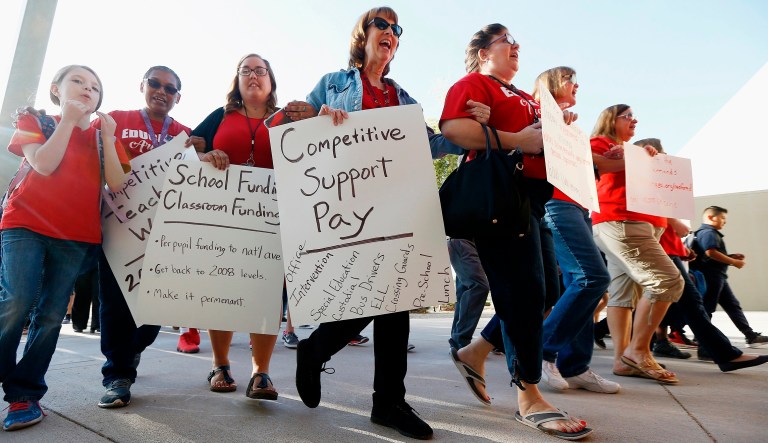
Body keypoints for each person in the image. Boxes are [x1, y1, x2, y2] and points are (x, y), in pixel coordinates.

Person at [288, 8, 482, 440]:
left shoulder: (403, 98)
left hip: (396, 207)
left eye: (397, 29)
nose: (391, 33)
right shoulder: (334, 84)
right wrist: (316, 118)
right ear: (364, 35)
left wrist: (468, 130)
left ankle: (386, 400)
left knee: (397, 297)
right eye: (383, 25)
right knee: (367, 299)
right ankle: (319, 350)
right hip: (347, 206)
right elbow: (295, 129)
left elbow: (430, 142)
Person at [440, 25, 591, 440]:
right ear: (484, 52)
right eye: (506, 40)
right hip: (501, 199)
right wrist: (516, 138)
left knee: (544, 293)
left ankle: (474, 352)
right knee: (522, 292)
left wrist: (559, 128)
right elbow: (453, 129)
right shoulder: (474, 84)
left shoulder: (525, 96)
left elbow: (539, 141)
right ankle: (529, 395)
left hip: (532, 201)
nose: (516, 46)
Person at [1, 65, 128, 431]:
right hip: (25, 223)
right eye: (78, 81)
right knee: (16, 301)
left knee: (53, 313)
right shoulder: (35, 120)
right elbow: (42, 164)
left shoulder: (104, 135)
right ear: (56, 89)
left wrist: (107, 138)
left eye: (95, 87)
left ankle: (25, 394)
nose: (88, 89)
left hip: (75, 235)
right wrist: (69, 122)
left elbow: (117, 183)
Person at [188, 53, 284, 401]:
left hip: (273, 220)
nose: (253, 75)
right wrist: (206, 156)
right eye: (246, 70)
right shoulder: (220, 116)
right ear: (237, 81)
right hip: (223, 219)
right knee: (223, 287)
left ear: (271, 80)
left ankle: (261, 372)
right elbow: (186, 152)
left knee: (268, 295)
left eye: (261, 70)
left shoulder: (286, 120)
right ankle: (221, 364)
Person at [95, 66, 191, 408]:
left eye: (170, 88)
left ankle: (132, 349)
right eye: (155, 83)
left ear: (178, 97)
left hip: (164, 236)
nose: (161, 91)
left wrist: (207, 155)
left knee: (157, 307)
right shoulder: (115, 119)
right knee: (115, 306)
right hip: (117, 230)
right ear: (142, 85)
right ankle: (117, 375)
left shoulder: (185, 134)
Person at [533, 67, 619, 394]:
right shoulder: (536, 109)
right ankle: (543, 350)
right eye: (570, 80)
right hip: (555, 203)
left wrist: (599, 159)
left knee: (578, 282)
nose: (577, 85)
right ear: (552, 84)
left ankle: (576, 366)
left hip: (579, 205)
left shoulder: (571, 125)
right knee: (592, 277)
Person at [589, 105, 684, 384]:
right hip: (623, 222)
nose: (634, 120)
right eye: (627, 115)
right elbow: (595, 165)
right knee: (667, 281)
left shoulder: (630, 150)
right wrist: (636, 158)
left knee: (622, 293)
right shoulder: (601, 143)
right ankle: (639, 351)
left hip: (638, 224)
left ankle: (623, 359)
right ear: (610, 119)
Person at [689, 206, 768, 347]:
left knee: (732, 305)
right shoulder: (709, 232)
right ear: (711, 217)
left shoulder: (704, 232)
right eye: (723, 218)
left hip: (717, 276)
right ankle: (702, 343)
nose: (725, 222)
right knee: (708, 308)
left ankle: (750, 335)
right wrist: (734, 262)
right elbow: (710, 252)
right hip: (711, 277)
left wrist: (730, 256)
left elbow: (708, 255)